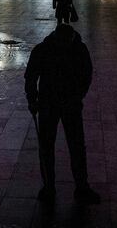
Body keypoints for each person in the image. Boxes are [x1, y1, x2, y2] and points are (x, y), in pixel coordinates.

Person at [24, 23, 99, 204]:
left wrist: (33, 99)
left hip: (53, 103)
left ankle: (53, 187)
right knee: (71, 145)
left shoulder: (45, 49)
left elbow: (31, 75)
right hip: (61, 104)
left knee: (54, 146)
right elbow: (86, 75)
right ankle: (75, 186)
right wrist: (32, 99)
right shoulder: (76, 49)